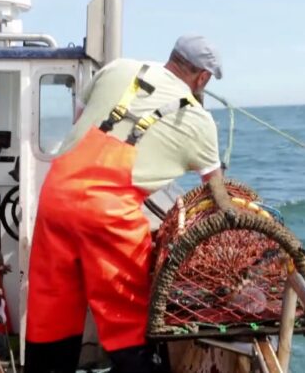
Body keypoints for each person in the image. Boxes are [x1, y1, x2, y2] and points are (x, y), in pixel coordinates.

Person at [25, 35, 225, 373]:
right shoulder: (198, 119)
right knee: (125, 321)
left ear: (172, 56)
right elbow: (215, 189)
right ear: (202, 77)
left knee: (52, 312)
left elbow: (80, 121)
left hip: (56, 196)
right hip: (109, 215)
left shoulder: (118, 68)